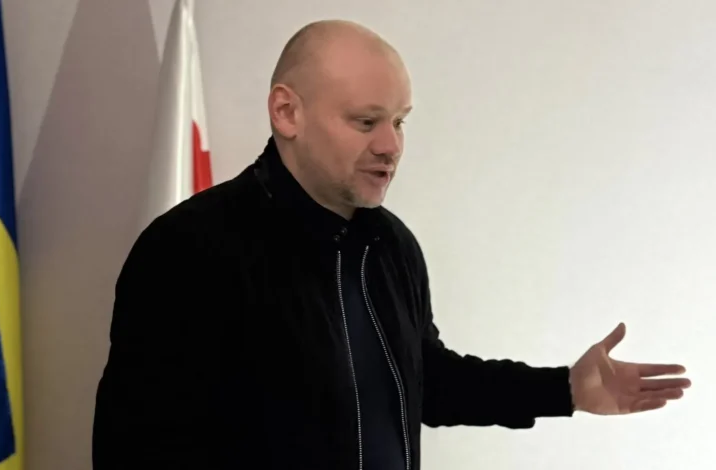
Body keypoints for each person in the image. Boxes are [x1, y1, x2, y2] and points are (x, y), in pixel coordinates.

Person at [91, 19, 690, 470]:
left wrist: (563, 390)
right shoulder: (187, 251)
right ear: (287, 112)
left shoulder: (392, 246)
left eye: (399, 121)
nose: (391, 145)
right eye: (366, 121)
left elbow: (426, 382)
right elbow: (137, 450)